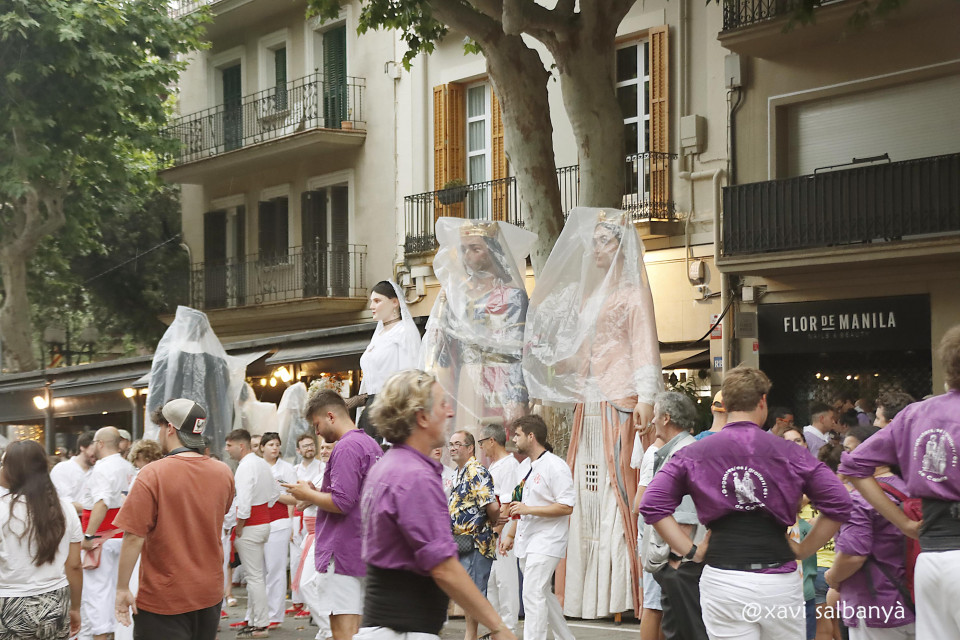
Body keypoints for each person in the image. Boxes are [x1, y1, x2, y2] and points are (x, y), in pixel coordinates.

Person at [639, 366, 853, 640]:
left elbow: (652, 503)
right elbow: (839, 502)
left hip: (723, 578)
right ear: (762, 401)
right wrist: (804, 549)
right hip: (778, 579)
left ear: (725, 404)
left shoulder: (694, 453)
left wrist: (691, 551)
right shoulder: (789, 452)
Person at [523, 207, 661, 618]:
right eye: (595, 241)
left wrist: (647, 398)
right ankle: (587, 595)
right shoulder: (589, 298)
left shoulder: (633, 294)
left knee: (618, 486)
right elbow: (581, 355)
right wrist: (548, 362)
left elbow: (644, 346)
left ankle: (621, 595)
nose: (596, 249)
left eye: (604, 241)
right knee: (586, 488)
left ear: (621, 247)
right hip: (589, 403)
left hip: (621, 399)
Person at [355, 369, 516, 640]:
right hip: (404, 630)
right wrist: (498, 627)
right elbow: (443, 567)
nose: (450, 412)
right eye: (442, 404)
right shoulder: (414, 475)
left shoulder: (391, 467)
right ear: (421, 417)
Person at [838, 325, 960, 638]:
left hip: (930, 561)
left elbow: (853, 465)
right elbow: (855, 466)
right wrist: (902, 522)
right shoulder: (915, 414)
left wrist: (903, 523)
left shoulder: (915, 414)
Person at [113, 398, 235, 640]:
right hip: (209, 591)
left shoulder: (152, 473)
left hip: (165, 595)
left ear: (169, 428)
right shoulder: (223, 471)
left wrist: (122, 588)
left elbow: (133, 536)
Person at [283, 390, 383, 640]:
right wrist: (315, 493)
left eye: (317, 425)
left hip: (342, 549)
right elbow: (355, 497)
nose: (317, 433)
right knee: (360, 629)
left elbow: (342, 502)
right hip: (362, 546)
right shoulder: (370, 444)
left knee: (343, 630)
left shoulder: (347, 446)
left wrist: (307, 493)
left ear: (330, 416)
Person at [420, 218, 536, 434]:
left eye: (475, 249)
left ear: (492, 251)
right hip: (467, 379)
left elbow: (518, 353)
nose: (468, 256)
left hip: (500, 379)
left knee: (499, 440)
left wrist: (517, 397)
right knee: (467, 437)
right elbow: (445, 357)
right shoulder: (455, 299)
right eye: (464, 249)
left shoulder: (512, 297)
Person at [826, 425, 915, 639]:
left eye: (849, 450)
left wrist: (832, 577)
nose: (843, 458)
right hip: (916, 601)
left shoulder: (859, 499)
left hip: (875, 606)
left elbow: (853, 556)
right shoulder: (910, 489)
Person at [499, 415, 576, 640]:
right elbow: (519, 505)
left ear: (531, 436)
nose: (514, 439)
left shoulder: (556, 466)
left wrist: (528, 509)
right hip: (527, 539)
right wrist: (510, 534)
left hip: (548, 539)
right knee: (542, 593)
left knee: (532, 593)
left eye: (517, 435)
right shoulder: (524, 467)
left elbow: (566, 506)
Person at [0, 440, 83, 640]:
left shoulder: (2, 509)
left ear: (13, 471)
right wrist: (75, 607)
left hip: (10, 602)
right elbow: (74, 565)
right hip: (56, 601)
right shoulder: (65, 508)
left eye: (3, 464)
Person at [641, 392, 708, 640]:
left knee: (685, 632)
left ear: (666, 418)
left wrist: (677, 560)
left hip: (681, 564)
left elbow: (685, 515)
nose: (652, 421)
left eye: (655, 415)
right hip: (679, 563)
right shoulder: (678, 450)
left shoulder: (684, 452)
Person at [80, 426, 136, 640]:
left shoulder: (103, 468)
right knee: (118, 588)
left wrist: (89, 535)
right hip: (122, 535)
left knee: (98, 592)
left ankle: (102, 635)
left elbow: (102, 502)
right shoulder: (127, 466)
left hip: (102, 538)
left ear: (100, 443)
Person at [226, 428, 279, 638]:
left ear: (241, 446)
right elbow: (274, 494)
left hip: (250, 525)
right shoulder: (261, 464)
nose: (227, 449)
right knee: (256, 576)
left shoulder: (246, 467)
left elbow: (244, 503)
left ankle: (261, 623)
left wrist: (239, 525)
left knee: (254, 577)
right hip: (262, 522)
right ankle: (256, 620)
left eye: (229, 445)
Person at [353, 280, 422, 438]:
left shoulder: (404, 332)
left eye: (377, 301)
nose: (372, 306)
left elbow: (409, 378)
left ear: (394, 302)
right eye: (371, 301)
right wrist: (356, 400)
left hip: (391, 411)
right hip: (371, 411)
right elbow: (371, 383)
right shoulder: (378, 336)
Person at [448, 429, 499, 640]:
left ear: (470, 448)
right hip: (462, 542)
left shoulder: (476, 471)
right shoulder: (457, 472)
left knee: (474, 594)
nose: (452, 448)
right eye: (451, 444)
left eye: (457, 444)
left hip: (477, 542)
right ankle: (480, 634)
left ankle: (483, 635)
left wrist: (493, 522)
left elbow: (492, 506)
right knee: (468, 594)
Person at [478, 421, 521, 634]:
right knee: (492, 581)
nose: (481, 447)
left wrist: (498, 532)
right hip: (492, 529)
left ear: (492, 441)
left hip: (503, 530)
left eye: (482, 442)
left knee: (506, 581)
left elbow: (509, 503)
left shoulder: (510, 466)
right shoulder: (494, 466)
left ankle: (509, 629)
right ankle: (495, 629)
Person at [256, 432, 297, 629]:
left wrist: (274, 492)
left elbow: (295, 498)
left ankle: (275, 615)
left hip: (279, 522)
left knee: (275, 570)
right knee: (258, 572)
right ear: (262, 447)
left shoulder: (286, 469)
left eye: (277, 444)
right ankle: (257, 615)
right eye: (271, 444)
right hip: (257, 521)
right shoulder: (256, 466)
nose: (275, 448)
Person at [288, 433, 322, 620]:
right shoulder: (295, 470)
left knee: (312, 563)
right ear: (298, 450)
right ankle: (297, 601)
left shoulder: (322, 467)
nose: (309, 448)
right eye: (305, 446)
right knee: (296, 560)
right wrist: (291, 522)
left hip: (314, 517)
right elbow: (292, 499)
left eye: (311, 445)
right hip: (298, 517)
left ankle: (311, 606)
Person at [50, 431, 96, 515]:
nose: (96, 455)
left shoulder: (99, 469)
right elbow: (64, 503)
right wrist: (96, 509)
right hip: (71, 519)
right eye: (94, 451)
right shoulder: (62, 469)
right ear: (82, 447)